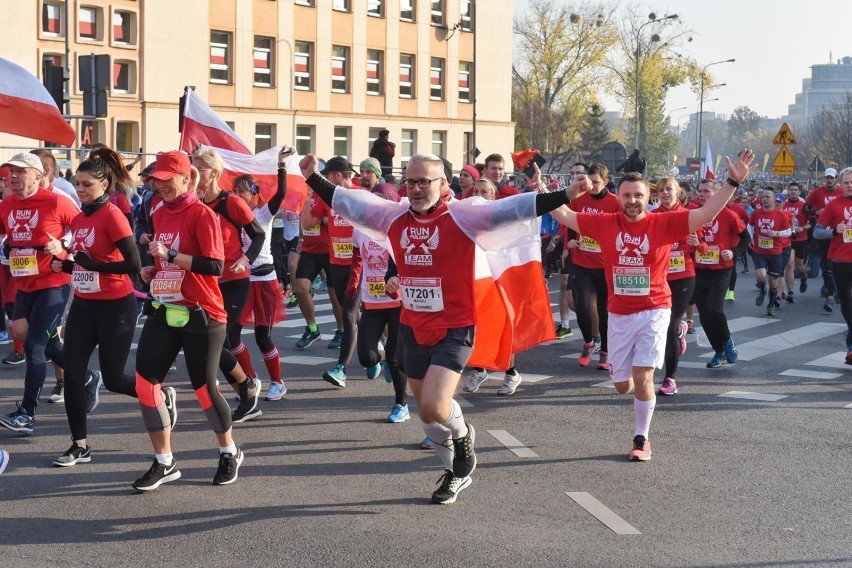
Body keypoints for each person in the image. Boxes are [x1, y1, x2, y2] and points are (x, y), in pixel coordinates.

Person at [300, 152, 579, 504]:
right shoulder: (393, 216)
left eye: (424, 182)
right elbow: (353, 203)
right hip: (413, 327)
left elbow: (513, 210)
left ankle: (463, 435)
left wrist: (564, 197)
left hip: (455, 326)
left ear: (443, 185)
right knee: (428, 417)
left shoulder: (464, 215)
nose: (416, 189)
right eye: (411, 182)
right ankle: (454, 473)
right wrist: (313, 178)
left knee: (434, 405)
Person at [551, 150, 755, 460]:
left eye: (638, 195)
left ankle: (641, 439)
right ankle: (635, 380)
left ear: (649, 197)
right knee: (622, 386)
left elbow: (706, 214)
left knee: (644, 376)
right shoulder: (605, 223)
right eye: (626, 195)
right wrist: (547, 187)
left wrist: (732, 182)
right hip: (619, 314)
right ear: (618, 197)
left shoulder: (664, 223)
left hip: (654, 310)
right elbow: (562, 214)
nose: (632, 200)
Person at [133, 150, 243, 491]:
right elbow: (165, 262)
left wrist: (170, 256)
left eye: (167, 179)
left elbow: (214, 266)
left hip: (203, 312)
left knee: (203, 387)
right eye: (156, 180)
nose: (160, 185)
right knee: (144, 383)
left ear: (186, 178)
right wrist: (152, 270)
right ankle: (165, 461)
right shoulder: (159, 212)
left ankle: (229, 451)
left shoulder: (202, 214)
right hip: (166, 308)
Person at [44, 156, 155, 466]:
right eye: (77, 184)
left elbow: (134, 264)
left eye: (87, 185)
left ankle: (159, 396)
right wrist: (66, 264)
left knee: (115, 378)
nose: (80, 190)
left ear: (104, 185)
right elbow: (83, 262)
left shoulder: (113, 215)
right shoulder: (79, 219)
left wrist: (93, 265)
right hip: (84, 304)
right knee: (74, 372)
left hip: (116, 306)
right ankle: (79, 445)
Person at [0, 153, 98, 436]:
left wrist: (63, 243)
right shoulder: (7, 204)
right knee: (22, 333)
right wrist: (7, 246)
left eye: (21, 172)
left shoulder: (56, 201)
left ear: (37, 175)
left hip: (55, 282)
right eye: (11, 173)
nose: (14, 177)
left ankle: (26, 414)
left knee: (34, 347)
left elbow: (83, 227)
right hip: (26, 283)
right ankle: (89, 376)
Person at [192, 147, 265, 423]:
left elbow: (257, 234)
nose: (194, 172)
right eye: (192, 166)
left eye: (200, 167)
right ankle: (246, 393)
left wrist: (246, 259)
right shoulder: (195, 204)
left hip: (234, 281)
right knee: (217, 340)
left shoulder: (231, 202)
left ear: (215, 172)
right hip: (207, 282)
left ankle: (247, 388)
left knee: (217, 339)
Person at [230, 148, 291, 401]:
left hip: (264, 280)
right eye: (235, 192)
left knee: (262, 337)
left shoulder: (263, 214)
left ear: (254, 195)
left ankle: (277, 382)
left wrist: (281, 166)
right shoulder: (232, 216)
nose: (237, 196)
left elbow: (283, 193)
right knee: (231, 336)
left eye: (242, 191)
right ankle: (251, 378)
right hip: (242, 281)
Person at [347, 182, 408, 421]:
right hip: (371, 302)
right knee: (366, 357)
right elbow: (356, 258)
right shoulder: (360, 227)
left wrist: (398, 280)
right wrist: (353, 284)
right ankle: (378, 362)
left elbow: (408, 261)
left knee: (394, 355)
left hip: (397, 302)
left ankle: (400, 405)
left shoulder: (397, 229)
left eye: (381, 201)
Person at [461, 177, 525, 396]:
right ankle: (479, 369)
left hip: (500, 281)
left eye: (484, 192)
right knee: (475, 327)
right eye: (475, 191)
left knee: (503, 328)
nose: (478, 196)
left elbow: (521, 240)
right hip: (476, 281)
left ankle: (511, 374)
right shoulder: (464, 219)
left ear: (493, 196)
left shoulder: (503, 218)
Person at [651, 177, 704, 396]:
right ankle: (680, 330)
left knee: (670, 324)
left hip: (683, 276)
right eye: (661, 190)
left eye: (669, 189)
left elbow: (702, 247)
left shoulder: (689, 215)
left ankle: (670, 379)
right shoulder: (651, 216)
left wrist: (697, 244)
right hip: (658, 278)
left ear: (679, 192)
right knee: (657, 324)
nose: (664, 193)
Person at [693, 178, 752, 368]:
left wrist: (733, 252)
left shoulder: (728, 215)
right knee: (703, 315)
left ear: (717, 195)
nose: (701, 195)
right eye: (700, 191)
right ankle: (718, 351)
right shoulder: (693, 213)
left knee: (714, 309)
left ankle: (727, 342)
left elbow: (746, 238)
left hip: (721, 270)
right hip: (699, 269)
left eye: (706, 191)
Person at [567, 163, 619, 369]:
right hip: (582, 262)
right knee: (582, 307)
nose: (592, 187)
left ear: (605, 182)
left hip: (605, 266)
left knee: (605, 310)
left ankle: (606, 350)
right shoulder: (580, 198)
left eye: (596, 183)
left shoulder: (615, 203)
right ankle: (589, 342)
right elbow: (571, 220)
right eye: (589, 183)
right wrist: (570, 240)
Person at [813, 167, 852, 362]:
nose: (850, 186)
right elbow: (817, 232)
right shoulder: (834, 205)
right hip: (839, 261)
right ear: (841, 184)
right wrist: (834, 231)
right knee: (846, 302)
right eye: (846, 183)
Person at [805, 168, 841, 312]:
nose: (829, 180)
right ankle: (830, 293)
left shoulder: (841, 193)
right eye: (827, 178)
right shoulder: (817, 192)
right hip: (823, 233)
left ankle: (837, 290)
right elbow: (805, 210)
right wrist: (816, 212)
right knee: (826, 265)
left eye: (832, 178)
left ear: (836, 179)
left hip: (840, 233)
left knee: (840, 264)